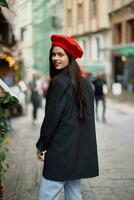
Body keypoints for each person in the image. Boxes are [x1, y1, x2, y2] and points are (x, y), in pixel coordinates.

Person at [36, 34, 99, 200]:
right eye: (53, 54)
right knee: (73, 194)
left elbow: (52, 119)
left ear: (70, 57)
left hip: (61, 150)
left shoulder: (59, 82)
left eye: (60, 54)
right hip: (77, 150)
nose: (55, 58)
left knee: (47, 195)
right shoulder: (84, 83)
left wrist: (42, 144)